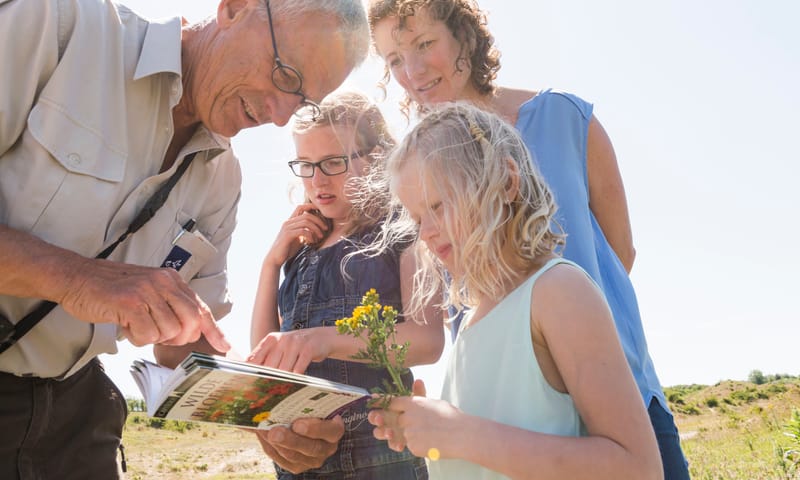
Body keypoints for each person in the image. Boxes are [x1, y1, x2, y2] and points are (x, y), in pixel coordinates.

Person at [0, 0, 368, 477]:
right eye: (285, 75)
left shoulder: (223, 182)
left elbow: (186, 344)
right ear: (235, 9)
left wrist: (268, 411)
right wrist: (79, 279)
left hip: (76, 421)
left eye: (302, 101)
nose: (280, 117)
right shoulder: (59, 26)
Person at [366, 1, 690, 477]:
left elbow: (618, 254)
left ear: (464, 36)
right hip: (504, 408)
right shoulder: (416, 169)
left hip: (611, 382)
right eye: (393, 59)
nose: (411, 71)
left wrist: (560, 329)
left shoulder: (565, 118)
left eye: (424, 43)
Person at [248, 90, 444, 479]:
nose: (317, 179)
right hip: (299, 462)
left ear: (375, 159)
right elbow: (265, 355)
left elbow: (427, 340)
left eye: (333, 162)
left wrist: (323, 340)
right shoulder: (298, 252)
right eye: (305, 165)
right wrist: (271, 263)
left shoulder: (403, 229)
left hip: (381, 457)